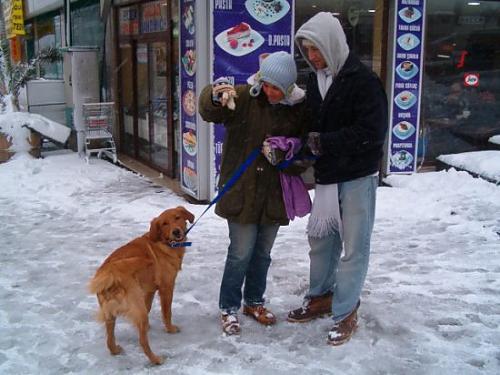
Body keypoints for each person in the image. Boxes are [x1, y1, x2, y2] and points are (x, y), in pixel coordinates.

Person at [287, 12, 388, 346]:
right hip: (328, 175)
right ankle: (321, 296)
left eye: (316, 49)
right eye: (306, 51)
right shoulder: (316, 81)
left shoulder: (362, 80)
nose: (312, 57)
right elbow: (311, 125)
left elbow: (372, 132)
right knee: (322, 241)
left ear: (331, 43)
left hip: (357, 174)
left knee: (353, 247)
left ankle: (345, 311)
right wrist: (296, 145)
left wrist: (324, 142)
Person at [198, 51, 308, 335]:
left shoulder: (297, 108)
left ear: (288, 89)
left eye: (277, 88)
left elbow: (304, 150)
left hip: (274, 194)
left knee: (262, 254)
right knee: (240, 252)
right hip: (241, 190)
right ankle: (228, 307)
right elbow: (211, 111)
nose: (270, 91)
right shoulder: (245, 96)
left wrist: (286, 153)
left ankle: (254, 301)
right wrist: (213, 95)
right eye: (267, 84)